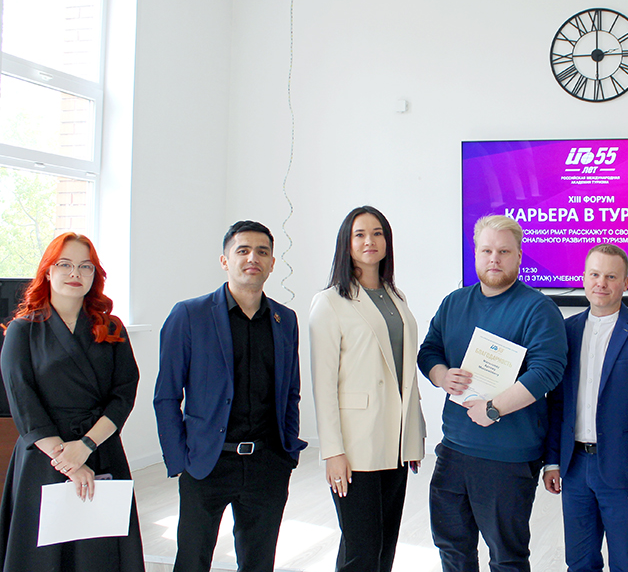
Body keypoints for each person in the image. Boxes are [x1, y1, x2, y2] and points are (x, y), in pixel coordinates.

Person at [154, 220, 307, 572]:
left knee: (258, 563)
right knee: (192, 561)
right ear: (225, 261)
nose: (253, 258)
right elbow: (166, 396)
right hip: (207, 462)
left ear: (272, 263)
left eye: (262, 252)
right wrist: (179, 461)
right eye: (243, 250)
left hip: (267, 463)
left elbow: (291, 392)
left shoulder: (285, 319)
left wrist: (287, 454)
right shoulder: (189, 315)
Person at [417, 214, 567, 572]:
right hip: (454, 449)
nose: (494, 259)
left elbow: (547, 371)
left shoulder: (538, 309)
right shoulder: (454, 303)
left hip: (508, 457)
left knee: (506, 557)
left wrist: (494, 408)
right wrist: (442, 375)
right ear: (476, 253)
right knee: (452, 549)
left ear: (519, 256)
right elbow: (429, 351)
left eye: (504, 251)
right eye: (486, 251)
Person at [0, 232, 144, 571]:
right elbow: (22, 400)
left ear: (95, 275)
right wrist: (69, 461)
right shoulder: (22, 329)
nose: (75, 273)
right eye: (64, 264)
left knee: (100, 552)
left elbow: (124, 393)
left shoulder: (113, 328)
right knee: (43, 555)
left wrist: (87, 446)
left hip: (101, 449)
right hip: (45, 456)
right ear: (48, 271)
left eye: (85, 266)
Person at [543, 244, 628, 572]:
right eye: (595, 274)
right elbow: (556, 404)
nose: (601, 283)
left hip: (626, 471)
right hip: (574, 468)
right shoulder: (565, 332)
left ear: (626, 283)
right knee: (579, 563)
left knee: (627, 564)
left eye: (611, 277)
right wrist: (552, 461)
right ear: (584, 278)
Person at [309, 206, 426, 572]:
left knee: (385, 544)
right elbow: (323, 385)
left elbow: (404, 373)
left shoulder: (396, 296)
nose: (369, 241)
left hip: (395, 441)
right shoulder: (329, 302)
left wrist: (412, 434)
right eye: (359, 234)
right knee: (362, 546)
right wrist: (332, 451)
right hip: (355, 444)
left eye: (377, 233)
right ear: (346, 243)